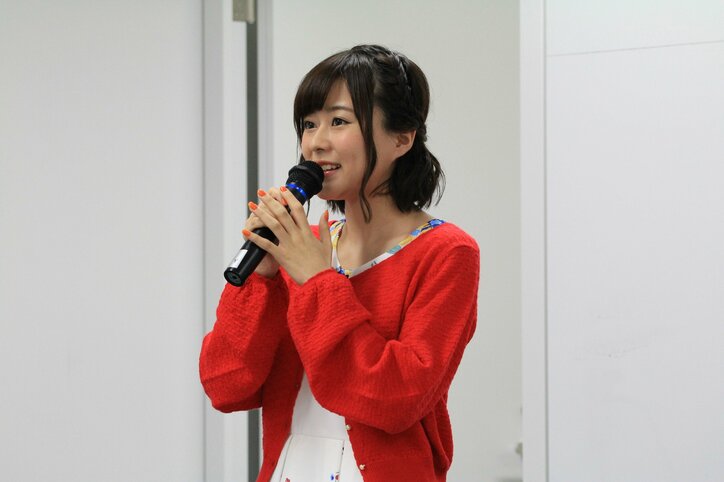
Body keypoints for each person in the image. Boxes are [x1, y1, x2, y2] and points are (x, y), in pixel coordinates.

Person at [199, 44, 480, 482]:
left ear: (402, 138)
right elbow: (226, 385)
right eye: (309, 124)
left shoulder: (446, 252)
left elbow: (396, 398)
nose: (316, 142)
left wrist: (317, 281)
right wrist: (261, 283)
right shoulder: (300, 248)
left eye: (339, 121)